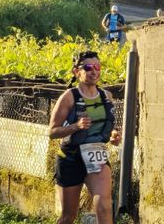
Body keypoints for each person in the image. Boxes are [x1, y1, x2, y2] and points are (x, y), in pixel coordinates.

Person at [49, 51, 122, 224]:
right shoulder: (69, 97)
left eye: (97, 67)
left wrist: (113, 136)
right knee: (68, 217)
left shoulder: (106, 96)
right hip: (71, 158)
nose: (94, 71)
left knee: (105, 207)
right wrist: (76, 126)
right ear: (76, 71)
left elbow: (107, 125)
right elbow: (52, 132)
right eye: (88, 67)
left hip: (96, 156)